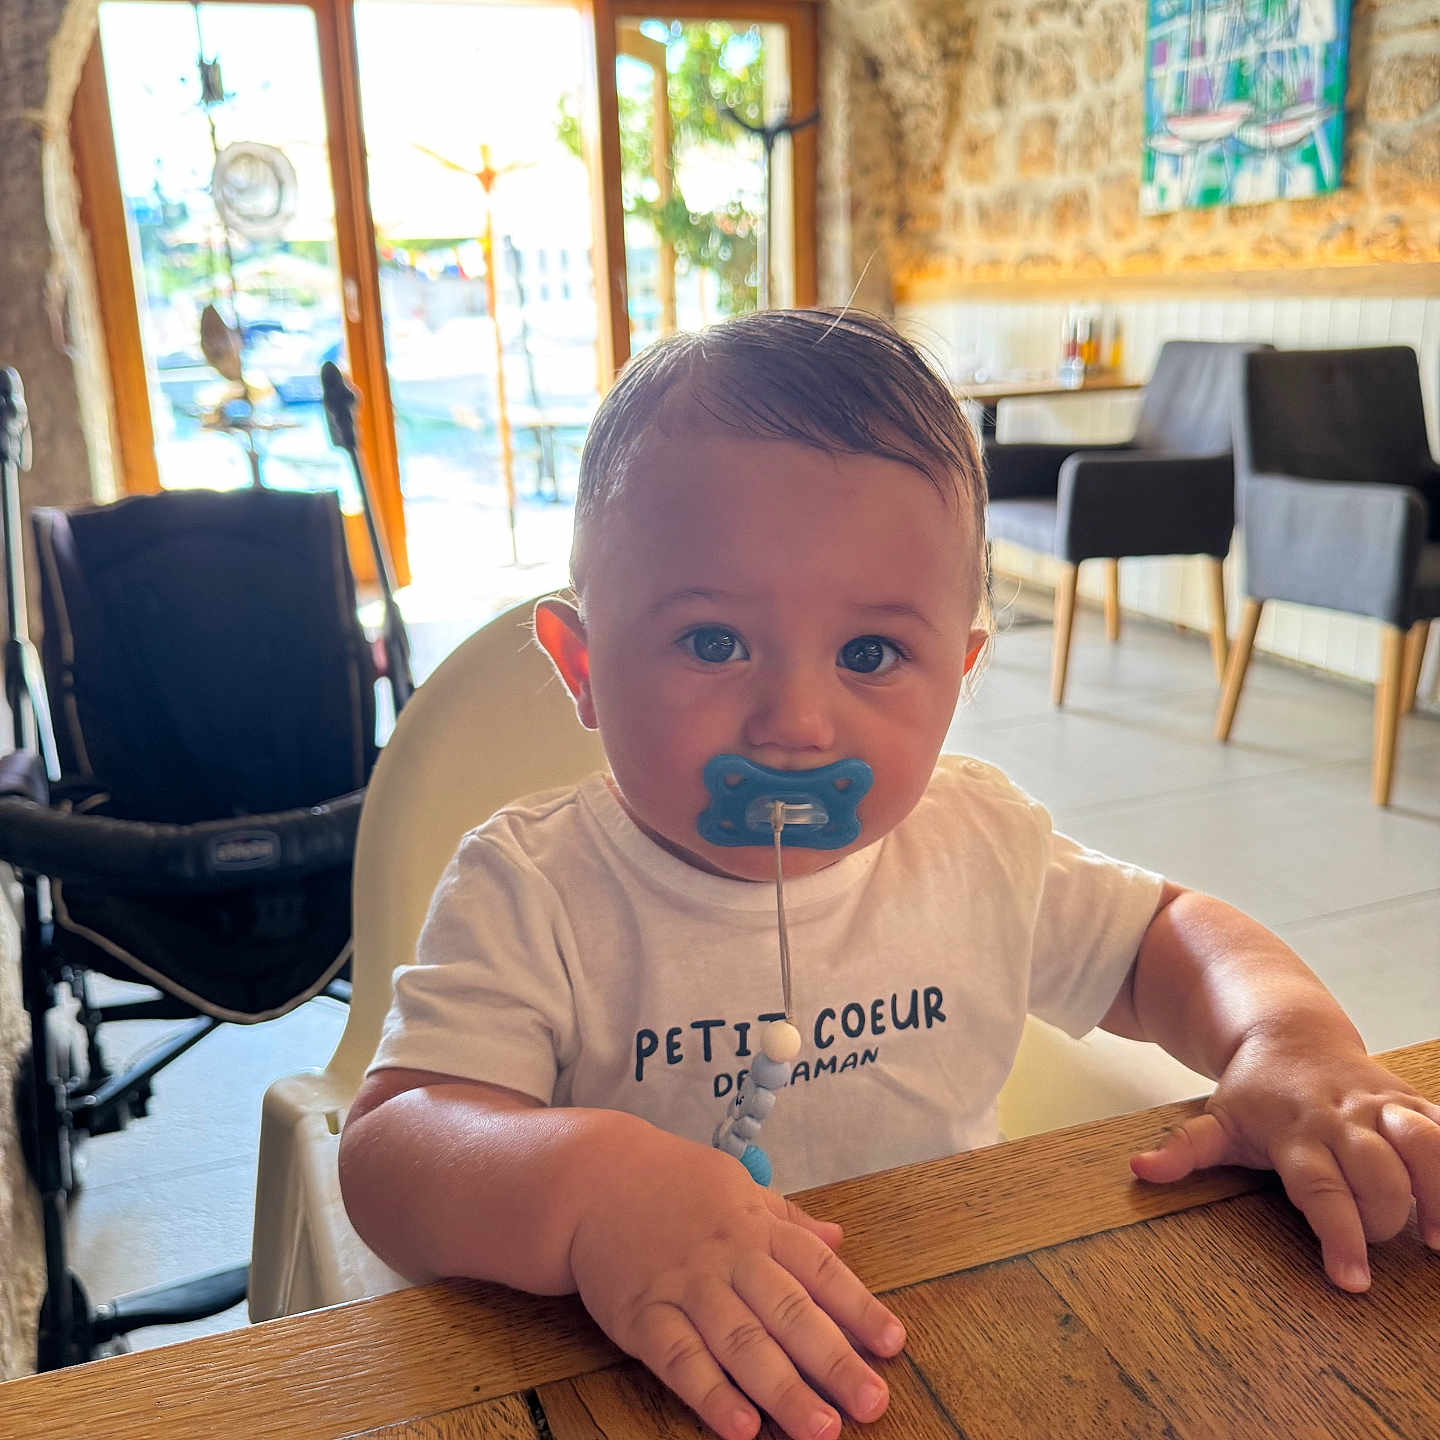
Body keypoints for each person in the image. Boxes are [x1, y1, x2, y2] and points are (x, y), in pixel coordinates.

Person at [339, 309, 1439, 1440]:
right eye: (714, 642)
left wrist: (1289, 1045)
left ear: (959, 673)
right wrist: (589, 1192)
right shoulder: (535, 889)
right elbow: (392, 1147)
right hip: (632, 1371)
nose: (796, 723)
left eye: (871, 655)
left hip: (958, 1325)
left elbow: (1169, 937)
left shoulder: (973, 846)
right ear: (582, 666)